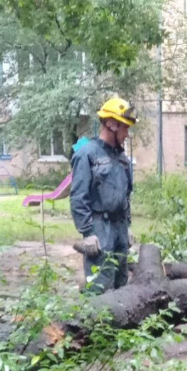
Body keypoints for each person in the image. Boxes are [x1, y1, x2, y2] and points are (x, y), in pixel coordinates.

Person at [70, 98, 136, 293]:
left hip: (120, 227)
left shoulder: (122, 159)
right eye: (125, 128)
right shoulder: (88, 155)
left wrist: (128, 226)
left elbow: (126, 194)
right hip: (100, 228)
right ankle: (91, 322)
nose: (127, 134)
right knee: (99, 284)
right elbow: (78, 196)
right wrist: (88, 233)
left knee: (121, 282)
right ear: (112, 125)